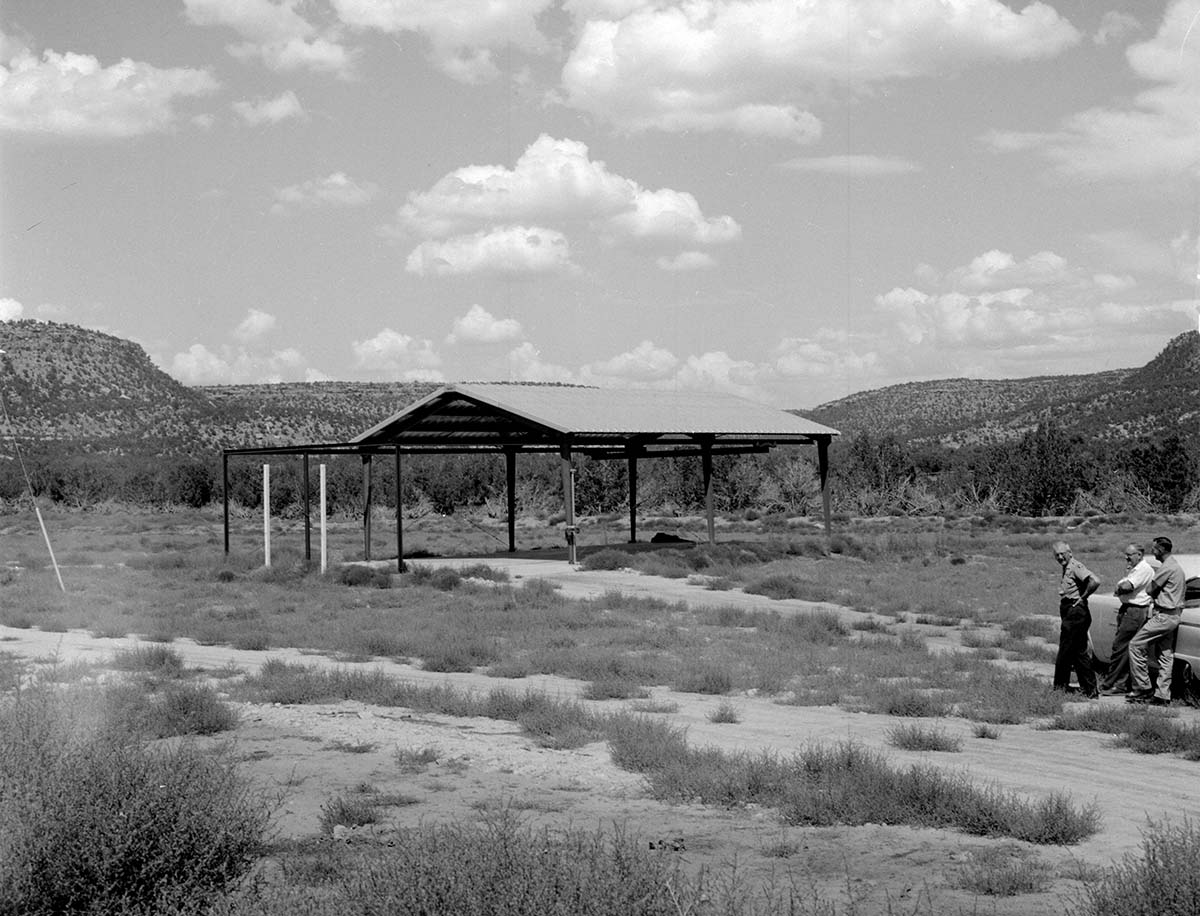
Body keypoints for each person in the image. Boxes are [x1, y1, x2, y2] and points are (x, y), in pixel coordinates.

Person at [1127, 536, 1187, 706]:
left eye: (1154, 548)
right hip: (1174, 615)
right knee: (1165, 655)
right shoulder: (1176, 566)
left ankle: (1142, 688)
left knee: (1136, 645)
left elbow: (1150, 589)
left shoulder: (1167, 568)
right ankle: (1162, 695)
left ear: (1161, 550)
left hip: (1164, 615)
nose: (1152, 551)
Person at [1098, 543, 1156, 695]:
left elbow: (1126, 587)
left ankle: (1113, 684)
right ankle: (1120, 684)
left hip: (1135, 611)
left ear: (1139, 555)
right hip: (1129, 609)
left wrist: (1119, 587)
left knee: (1120, 647)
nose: (1126, 558)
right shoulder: (1135, 570)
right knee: (1123, 649)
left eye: (1129, 555)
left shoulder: (1144, 569)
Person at [1052, 541, 1099, 698]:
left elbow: (1095, 581)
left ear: (1069, 553)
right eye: (1056, 555)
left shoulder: (1076, 566)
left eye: (1062, 554)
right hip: (1071, 610)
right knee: (1079, 651)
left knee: (1065, 650)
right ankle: (1089, 689)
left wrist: (1083, 597)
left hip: (1075, 611)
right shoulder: (1067, 568)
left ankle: (1060, 687)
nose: (1060, 557)